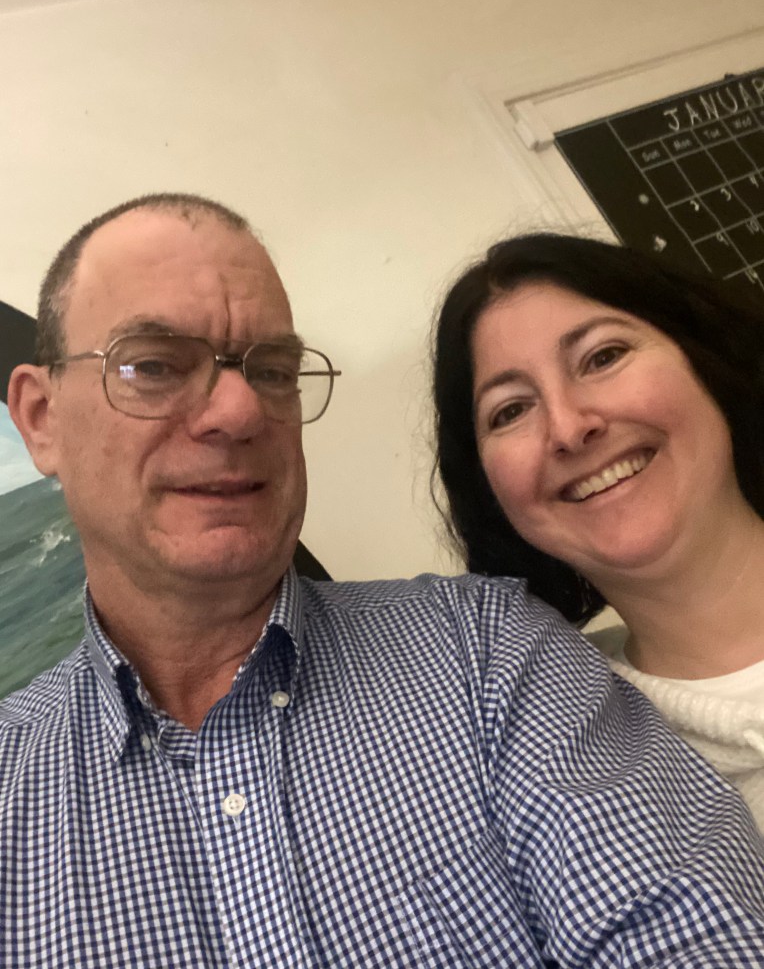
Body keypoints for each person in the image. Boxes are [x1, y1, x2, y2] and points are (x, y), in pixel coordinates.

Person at [3, 198, 764, 968]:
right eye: (155, 365)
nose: (239, 408)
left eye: (272, 370)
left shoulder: (487, 646)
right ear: (40, 417)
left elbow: (686, 927)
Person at [433, 230, 764, 832]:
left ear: (706, 359)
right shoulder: (555, 755)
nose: (568, 428)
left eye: (603, 357)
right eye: (511, 410)